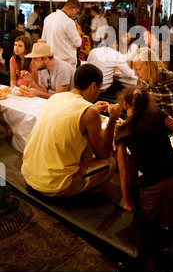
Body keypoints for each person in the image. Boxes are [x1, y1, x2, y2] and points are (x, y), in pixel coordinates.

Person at [115, 86, 173, 272]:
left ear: (125, 105)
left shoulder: (123, 131)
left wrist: (128, 201)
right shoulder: (156, 112)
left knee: (144, 235)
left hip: (153, 184)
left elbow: (124, 172)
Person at [21, 64, 120, 198]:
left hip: (29, 174)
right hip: (55, 186)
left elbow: (73, 113)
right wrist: (113, 118)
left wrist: (92, 109)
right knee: (113, 160)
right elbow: (102, 153)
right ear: (93, 86)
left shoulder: (56, 97)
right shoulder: (89, 112)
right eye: (99, 89)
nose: (98, 93)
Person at [132, 47, 173, 122]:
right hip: (150, 122)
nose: (135, 74)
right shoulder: (142, 81)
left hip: (170, 128)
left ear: (151, 67)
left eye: (138, 69)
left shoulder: (172, 83)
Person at [41, 0, 82, 69]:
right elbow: (78, 43)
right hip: (66, 64)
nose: (76, 14)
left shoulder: (48, 18)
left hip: (51, 61)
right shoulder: (68, 22)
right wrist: (78, 32)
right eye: (77, 12)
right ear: (74, 9)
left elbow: (43, 40)